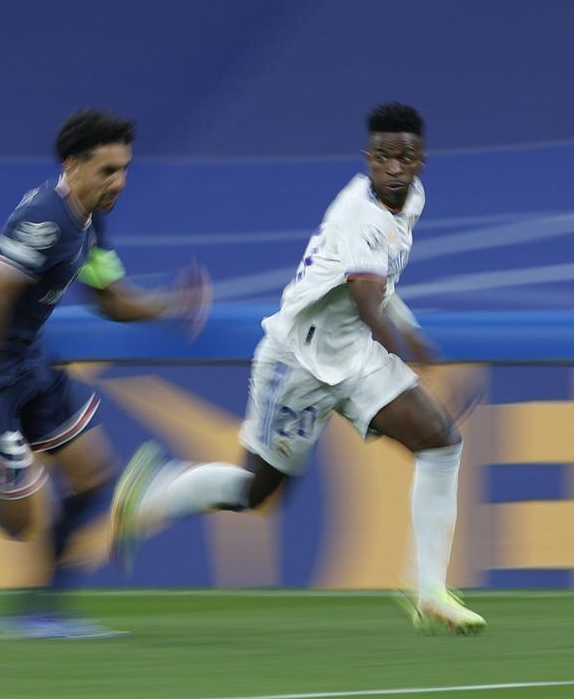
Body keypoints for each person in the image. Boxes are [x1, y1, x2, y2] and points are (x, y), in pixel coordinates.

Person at [111, 102, 485, 634]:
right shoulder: (359, 215)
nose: (395, 168)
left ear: (421, 160)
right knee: (256, 493)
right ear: (368, 159)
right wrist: (412, 358)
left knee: (442, 443)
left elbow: (384, 285)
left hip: (354, 356)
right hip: (298, 363)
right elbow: (366, 299)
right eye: (384, 157)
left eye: (405, 157)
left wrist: (417, 337)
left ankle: (429, 591)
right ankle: (154, 495)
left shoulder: (413, 201)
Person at [0, 109, 210, 639]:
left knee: (92, 478)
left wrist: (168, 305)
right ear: (73, 165)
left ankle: (40, 610)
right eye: (107, 171)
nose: (118, 182)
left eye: (124, 170)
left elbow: (110, 298)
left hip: (27, 362)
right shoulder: (46, 220)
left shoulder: (90, 215)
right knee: (19, 522)